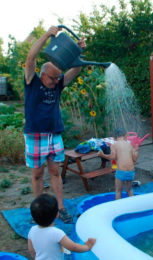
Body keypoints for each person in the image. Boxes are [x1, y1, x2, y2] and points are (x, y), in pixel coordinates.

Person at [24, 26, 86, 223]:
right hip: (35, 135)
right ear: (42, 74)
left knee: (55, 172)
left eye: (58, 77)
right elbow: (30, 58)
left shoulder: (58, 83)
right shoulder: (32, 81)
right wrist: (46, 35)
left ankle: (60, 207)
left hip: (54, 135)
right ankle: (39, 210)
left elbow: (77, 69)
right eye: (52, 78)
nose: (55, 81)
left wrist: (78, 51)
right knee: (37, 174)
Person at [28, 193, 96, 259]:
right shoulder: (57, 233)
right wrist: (87, 246)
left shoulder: (32, 230)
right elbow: (73, 247)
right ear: (57, 214)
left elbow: (31, 250)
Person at [98, 128, 139, 199]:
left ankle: (119, 209)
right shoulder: (129, 145)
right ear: (125, 135)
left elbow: (113, 157)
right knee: (129, 190)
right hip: (131, 171)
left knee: (118, 191)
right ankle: (133, 205)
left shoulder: (114, 145)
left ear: (114, 138)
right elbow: (134, 159)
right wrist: (136, 151)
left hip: (121, 171)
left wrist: (102, 155)